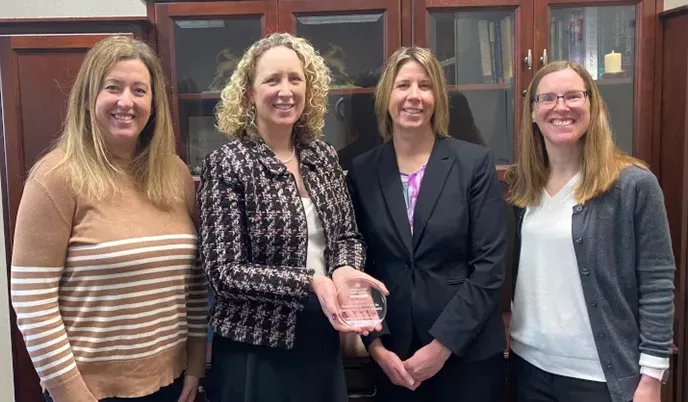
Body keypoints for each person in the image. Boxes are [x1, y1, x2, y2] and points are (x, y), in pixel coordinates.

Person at [10, 36, 208, 402]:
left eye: (139, 90)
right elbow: (31, 298)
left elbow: (194, 282)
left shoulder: (175, 174)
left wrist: (195, 364)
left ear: (153, 103)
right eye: (112, 87)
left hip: (172, 383)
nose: (126, 102)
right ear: (89, 97)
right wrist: (71, 394)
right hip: (90, 392)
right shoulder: (56, 177)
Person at [197, 32, 387, 402]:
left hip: (320, 335)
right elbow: (224, 272)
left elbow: (347, 236)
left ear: (308, 89)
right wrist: (311, 283)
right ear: (249, 93)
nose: (285, 91)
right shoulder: (228, 163)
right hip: (254, 347)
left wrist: (346, 270)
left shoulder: (323, 157)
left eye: (295, 79)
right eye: (272, 80)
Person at [505, 61, 675, 402]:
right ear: (534, 113)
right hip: (530, 367)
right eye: (548, 98)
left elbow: (657, 281)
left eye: (573, 96)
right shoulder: (522, 188)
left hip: (600, 376)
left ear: (592, 105)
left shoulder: (633, 185)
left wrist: (652, 376)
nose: (561, 107)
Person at [347, 46, 507, 402]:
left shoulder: (473, 164)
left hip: (467, 354)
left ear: (438, 97)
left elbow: (489, 268)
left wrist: (442, 346)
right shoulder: (362, 170)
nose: (414, 97)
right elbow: (358, 266)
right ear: (386, 96)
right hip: (394, 356)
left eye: (425, 85)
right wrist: (376, 345)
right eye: (403, 85)